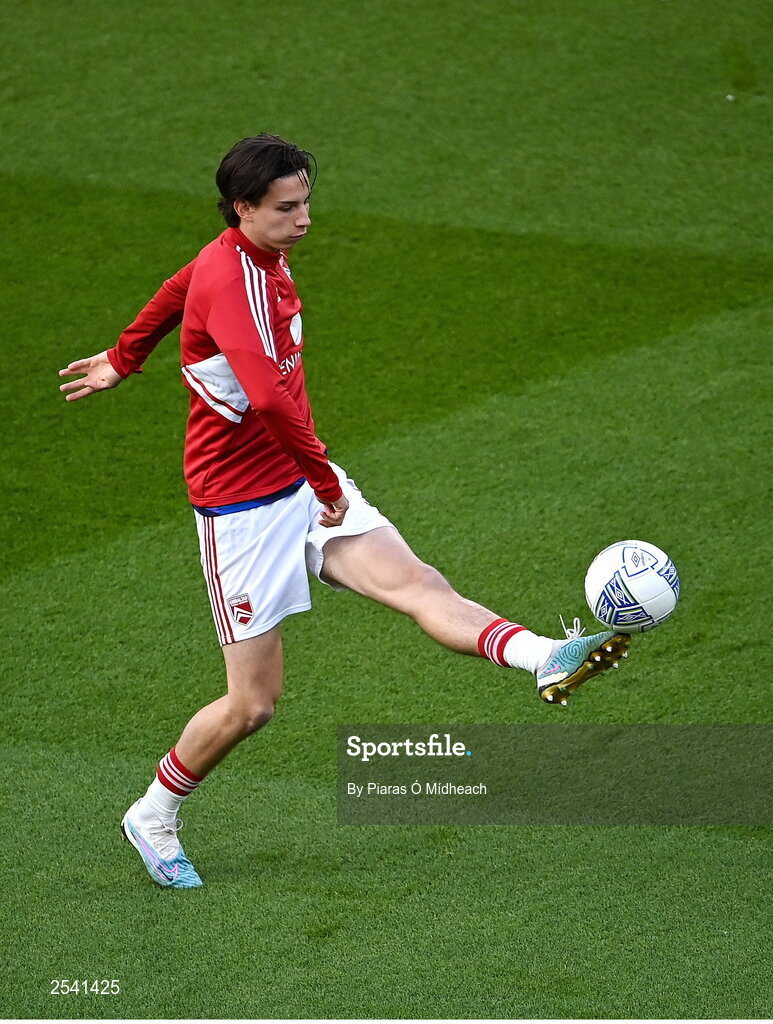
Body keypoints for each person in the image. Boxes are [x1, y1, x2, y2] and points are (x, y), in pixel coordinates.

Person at [59, 134, 630, 889]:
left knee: (418, 582)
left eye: (306, 204)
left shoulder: (248, 254)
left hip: (300, 480)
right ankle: (154, 813)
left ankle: (541, 658)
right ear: (243, 209)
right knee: (253, 705)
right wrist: (325, 486)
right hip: (241, 512)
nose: (302, 221)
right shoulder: (233, 281)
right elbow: (263, 395)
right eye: (286, 208)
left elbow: (175, 284)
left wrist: (125, 358)